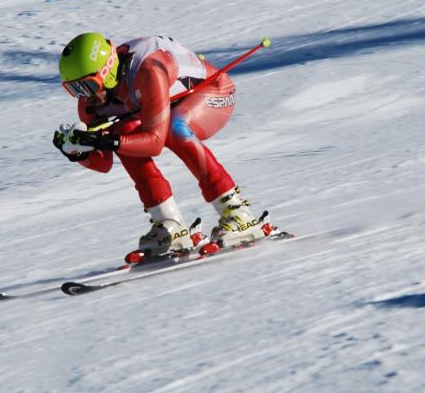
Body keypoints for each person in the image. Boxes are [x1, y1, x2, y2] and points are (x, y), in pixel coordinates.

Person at [52, 32, 266, 255]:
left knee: (174, 129)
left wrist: (108, 141)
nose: (84, 97)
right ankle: (168, 222)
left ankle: (237, 212)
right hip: (168, 106)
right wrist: (77, 151)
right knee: (122, 133)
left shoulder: (148, 70)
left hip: (213, 92)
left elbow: (155, 142)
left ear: (106, 73)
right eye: (73, 90)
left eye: (86, 86)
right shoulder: (90, 102)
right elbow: (103, 163)